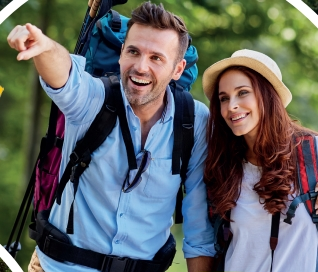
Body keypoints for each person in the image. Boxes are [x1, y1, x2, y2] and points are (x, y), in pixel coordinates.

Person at [7, 2, 215, 272]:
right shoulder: (93, 100)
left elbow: (198, 227)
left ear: (178, 69)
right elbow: (66, 75)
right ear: (120, 55)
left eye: (156, 58)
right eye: (133, 52)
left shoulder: (194, 121)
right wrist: (45, 46)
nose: (140, 67)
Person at [202, 49, 318, 272]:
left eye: (242, 92)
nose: (231, 106)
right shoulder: (222, 166)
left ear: (267, 95)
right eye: (224, 98)